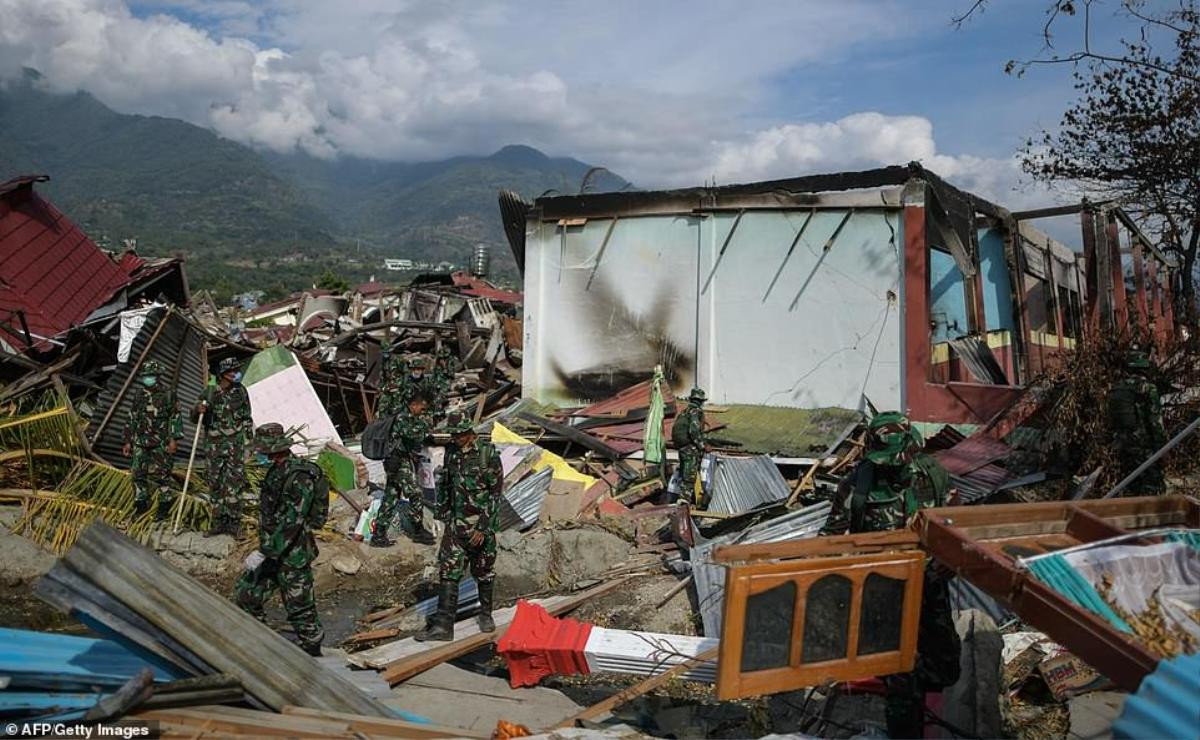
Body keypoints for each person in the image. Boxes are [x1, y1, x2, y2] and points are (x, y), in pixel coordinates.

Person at [822, 412, 959, 739]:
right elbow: (830, 539)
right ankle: (906, 722)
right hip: (882, 595)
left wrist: (949, 559)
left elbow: (952, 522)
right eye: (887, 462)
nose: (893, 467)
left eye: (899, 460)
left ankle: (923, 705)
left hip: (929, 586)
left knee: (945, 665)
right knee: (901, 676)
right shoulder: (856, 485)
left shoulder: (931, 475)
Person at [234, 423, 327, 656]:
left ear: (273, 450)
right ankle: (263, 642)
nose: (260, 455)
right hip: (272, 550)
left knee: (299, 607)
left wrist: (265, 550)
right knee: (247, 594)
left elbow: (292, 520)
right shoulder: (277, 471)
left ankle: (313, 651)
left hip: (292, 552)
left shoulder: (299, 476)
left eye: (262, 450)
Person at [415, 414, 503, 642]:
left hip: (480, 528)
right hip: (456, 527)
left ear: (470, 433)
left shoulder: (488, 454)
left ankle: (485, 614)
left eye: (460, 434)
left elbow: (495, 494)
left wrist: (483, 528)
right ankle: (443, 627)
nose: (457, 438)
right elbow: (445, 484)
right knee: (448, 572)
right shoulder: (452, 453)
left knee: (484, 572)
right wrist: (441, 514)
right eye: (454, 435)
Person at [193, 356, 253, 535]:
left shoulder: (241, 391)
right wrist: (198, 410)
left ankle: (234, 523)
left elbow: (246, 417)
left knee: (235, 483)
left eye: (237, 370)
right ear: (223, 374)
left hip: (235, 446)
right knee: (216, 484)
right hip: (214, 446)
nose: (236, 374)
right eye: (232, 371)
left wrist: (250, 443)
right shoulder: (210, 392)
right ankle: (219, 522)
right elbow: (195, 418)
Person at [122, 359, 183, 519]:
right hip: (140, 441)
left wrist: (174, 440)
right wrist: (128, 440)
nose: (147, 378)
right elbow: (132, 417)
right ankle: (141, 504)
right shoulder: (139, 394)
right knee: (137, 474)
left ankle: (164, 506)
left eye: (150, 375)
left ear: (157, 376)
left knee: (163, 474)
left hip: (160, 442)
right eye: (145, 375)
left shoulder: (169, 394)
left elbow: (175, 417)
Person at [374, 392, 434, 547]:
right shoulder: (402, 417)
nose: (423, 412)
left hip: (398, 460)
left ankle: (378, 534)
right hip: (397, 461)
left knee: (391, 496)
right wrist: (425, 426)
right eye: (422, 409)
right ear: (414, 405)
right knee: (416, 493)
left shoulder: (407, 416)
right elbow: (411, 434)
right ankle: (418, 531)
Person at [1106, 350, 1168, 495]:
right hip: (1143, 446)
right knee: (1153, 486)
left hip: (1122, 445)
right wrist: (1162, 448)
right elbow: (1155, 422)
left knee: (1130, 485)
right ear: (1144, 368)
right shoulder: (1147, 388)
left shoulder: (1117, 388)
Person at [670, 387, 707, 505]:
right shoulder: (696, 412)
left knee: (684, 474)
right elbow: (694, 431)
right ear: (700, 401)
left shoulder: (684, 412)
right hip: (690, 448)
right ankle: (684, 502)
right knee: (689, 476)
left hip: (681, 447)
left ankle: (682, 499)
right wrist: (702, 446)